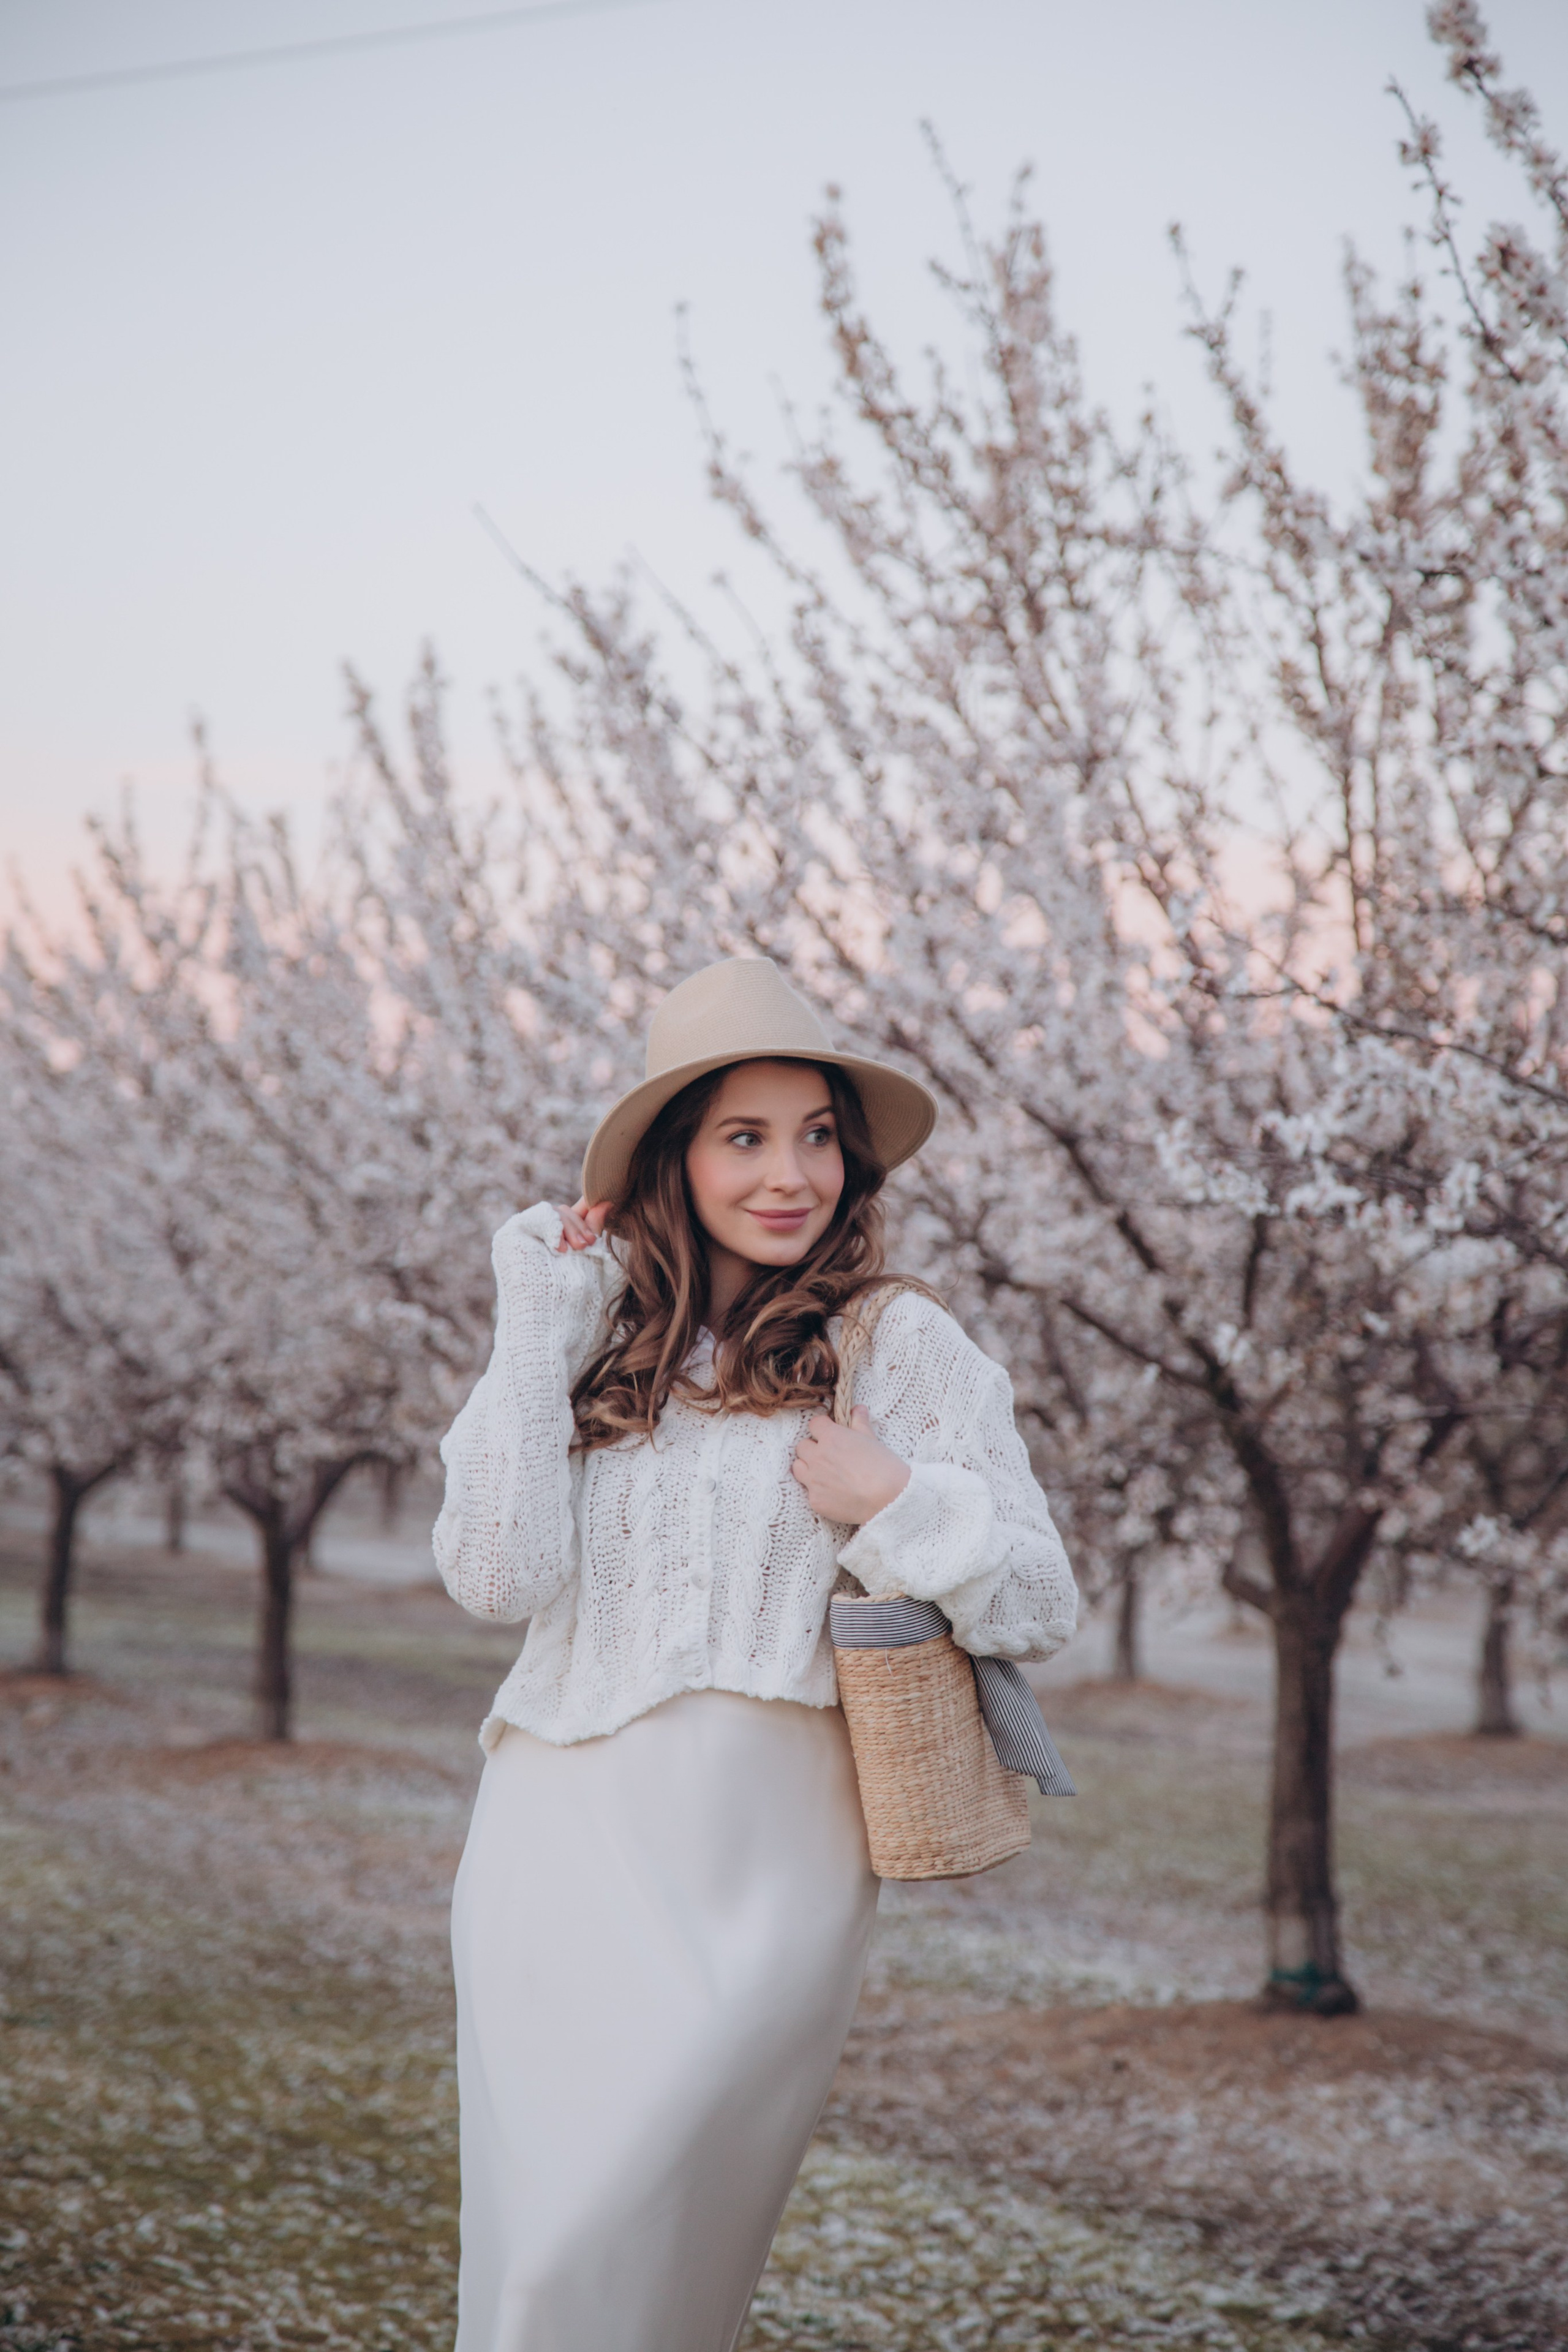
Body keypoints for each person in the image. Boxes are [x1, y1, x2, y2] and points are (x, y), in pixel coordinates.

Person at [434, 955, 1078, 2352]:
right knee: (534, 2275)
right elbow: (494, 1577)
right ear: (674, 1158)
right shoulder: (592, 1339)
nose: (791, 1175)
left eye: (818, 1136)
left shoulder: (895, 1344)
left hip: (774, 1871)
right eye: (744, 1137)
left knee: (630, 2259)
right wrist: (534, 1325)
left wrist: (898, 1501)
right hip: (553, 1841)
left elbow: (1039, 1598)